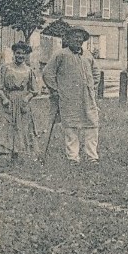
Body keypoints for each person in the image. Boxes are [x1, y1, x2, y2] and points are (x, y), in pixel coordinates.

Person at [43, 27, 100, 166]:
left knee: (92, 125)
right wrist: (55, 90)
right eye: (75, 37)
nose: (78, 40)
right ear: (68, 39)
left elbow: (96, 73)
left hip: (87, 97)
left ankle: (92, 156)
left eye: (80, 38)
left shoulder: (88, 55)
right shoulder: (61, 55)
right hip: (68, 98)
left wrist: (91, 87)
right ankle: (73, 157)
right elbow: (47, 73)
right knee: (71, 127)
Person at [0, 41, 40, 168]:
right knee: (3, 127)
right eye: (18, 53)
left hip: (22, 103)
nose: (20, 56)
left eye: (23, 54)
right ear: (14, 53)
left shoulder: (29, 71)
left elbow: (34, 90)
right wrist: (4, 98)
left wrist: (27, 98)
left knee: (20, 129)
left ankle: (15, 158)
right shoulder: (5, 68)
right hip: (8, 101)